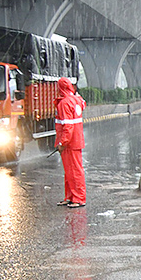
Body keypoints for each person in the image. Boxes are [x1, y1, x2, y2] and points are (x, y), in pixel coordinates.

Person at [54, 77, 87, 208]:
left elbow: (67, 127)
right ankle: (70, 197)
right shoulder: (77, 100)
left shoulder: (64, 103)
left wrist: (62, 143)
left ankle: (78, 198)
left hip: (69, 143)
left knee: (74, 171)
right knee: (70, 171)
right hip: (76, 141)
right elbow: (83, 103)